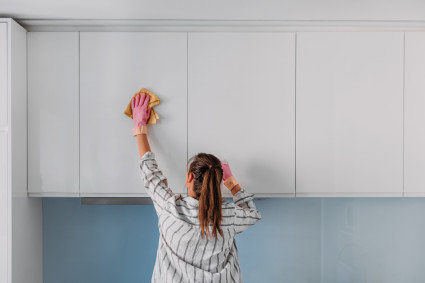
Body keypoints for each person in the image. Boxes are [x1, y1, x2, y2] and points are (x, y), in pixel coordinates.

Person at [131, 92, 262, 282]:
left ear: (190, 177)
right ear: (216, 184)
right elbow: (252, 214)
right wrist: (232, 182)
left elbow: (151, 173)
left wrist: (139, 127)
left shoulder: (169, 208)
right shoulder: (227, 216)